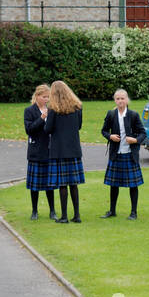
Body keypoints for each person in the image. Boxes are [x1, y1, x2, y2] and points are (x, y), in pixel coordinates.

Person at [101, 89, 145, 220]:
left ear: (127, 100)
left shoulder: (133, 115)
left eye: (122, 98)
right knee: (113, 184)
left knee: (133, 185)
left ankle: (133, 212)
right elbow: (103, 131)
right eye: (118, 99)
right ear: (115, 100)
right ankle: (112, 211)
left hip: (130, 154)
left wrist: (135, 140)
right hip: (116, 154)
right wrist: (110, 136)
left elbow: (143, 133)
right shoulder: (111, 114)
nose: (120, 101)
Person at [45, 80, 84, 223]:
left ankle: (64, 216)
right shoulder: (78, 107)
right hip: (73, 149)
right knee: (73, 183)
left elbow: (48, 129)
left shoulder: (53, 110)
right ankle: (77, 215)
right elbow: (79, 126)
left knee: (63, 184)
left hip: (59, 150)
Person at [24, 84, 56, 220]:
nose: (46, 99)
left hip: (49, 151)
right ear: (37, 96)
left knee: (50, 185)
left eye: (48, 97)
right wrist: (42, 118)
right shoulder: (29, 111)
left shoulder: (52, 110)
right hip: (36, 151)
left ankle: (52, 211)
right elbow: (29, 129)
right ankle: (34, 211)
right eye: (44, 97)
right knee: (35, 186)